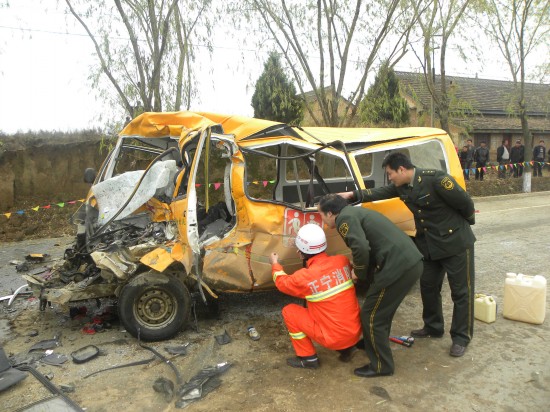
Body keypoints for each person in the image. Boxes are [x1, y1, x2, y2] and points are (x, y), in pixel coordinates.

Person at [338, 152, 476, 358]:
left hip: (455, 242)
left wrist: (460, 227)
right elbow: (380, 192)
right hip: (429, 245)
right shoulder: (402, 186)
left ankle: (461, 337)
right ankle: (433, 326)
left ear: (402, 169)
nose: (390, 178)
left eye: (391, 173)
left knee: (461, 292)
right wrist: (351, 196)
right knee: (428, 287)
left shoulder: (436, 179)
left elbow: (465, 203)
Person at [318, 194, 423, 377]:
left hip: (398, 267)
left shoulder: (345, 218)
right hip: (409, 262)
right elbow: (370, 245)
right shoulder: (354, 213)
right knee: (380, 310)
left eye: (321, 215)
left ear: (329, 213)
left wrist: (357, 273)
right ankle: (370, 343)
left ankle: (382, 366)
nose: (322, 220)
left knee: (371, 314)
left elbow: (361, 247)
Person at [269, 224, 362, 369]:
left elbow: (281, 283)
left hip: (333, 339)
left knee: (290, 311)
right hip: (355, 332)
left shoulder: (304, 277)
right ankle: (348, 348)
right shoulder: (342, 261)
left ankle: (308, 358)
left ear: (300, 253)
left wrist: (275, 264)